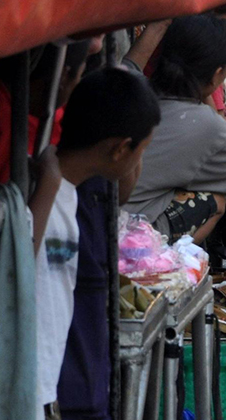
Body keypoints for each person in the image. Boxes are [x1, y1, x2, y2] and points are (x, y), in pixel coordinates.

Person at [30, 68, 159, 420]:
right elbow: (17, 270)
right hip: (29, 386)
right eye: (142, 149)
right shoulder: (41, 191)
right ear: (120, 149)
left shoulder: (69, 192)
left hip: (47, 386)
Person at [125, 16, 226, 243]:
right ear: (217, 74)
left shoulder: (126, 86)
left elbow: (130, 65)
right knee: (216, 200)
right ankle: (168, 263)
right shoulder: (207, 124)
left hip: (94, 214)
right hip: (135, 231)